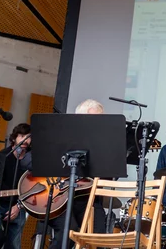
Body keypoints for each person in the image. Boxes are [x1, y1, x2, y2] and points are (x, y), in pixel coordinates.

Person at [48, 100, 107, 248]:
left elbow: (109, 175)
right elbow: (38, 163)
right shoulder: (61, 138)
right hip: (59, 198)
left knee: (99, 234)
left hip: (87, 198)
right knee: (68, 231)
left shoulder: (102, 144)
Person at [0, 124, 31, 249]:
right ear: (14, 138)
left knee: (14, 244)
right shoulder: (2, 156)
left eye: (28, 137)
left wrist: (18, 206)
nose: (25, 140)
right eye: (22, 136)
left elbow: (34, 186)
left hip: (18, 205)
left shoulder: (32, 160)